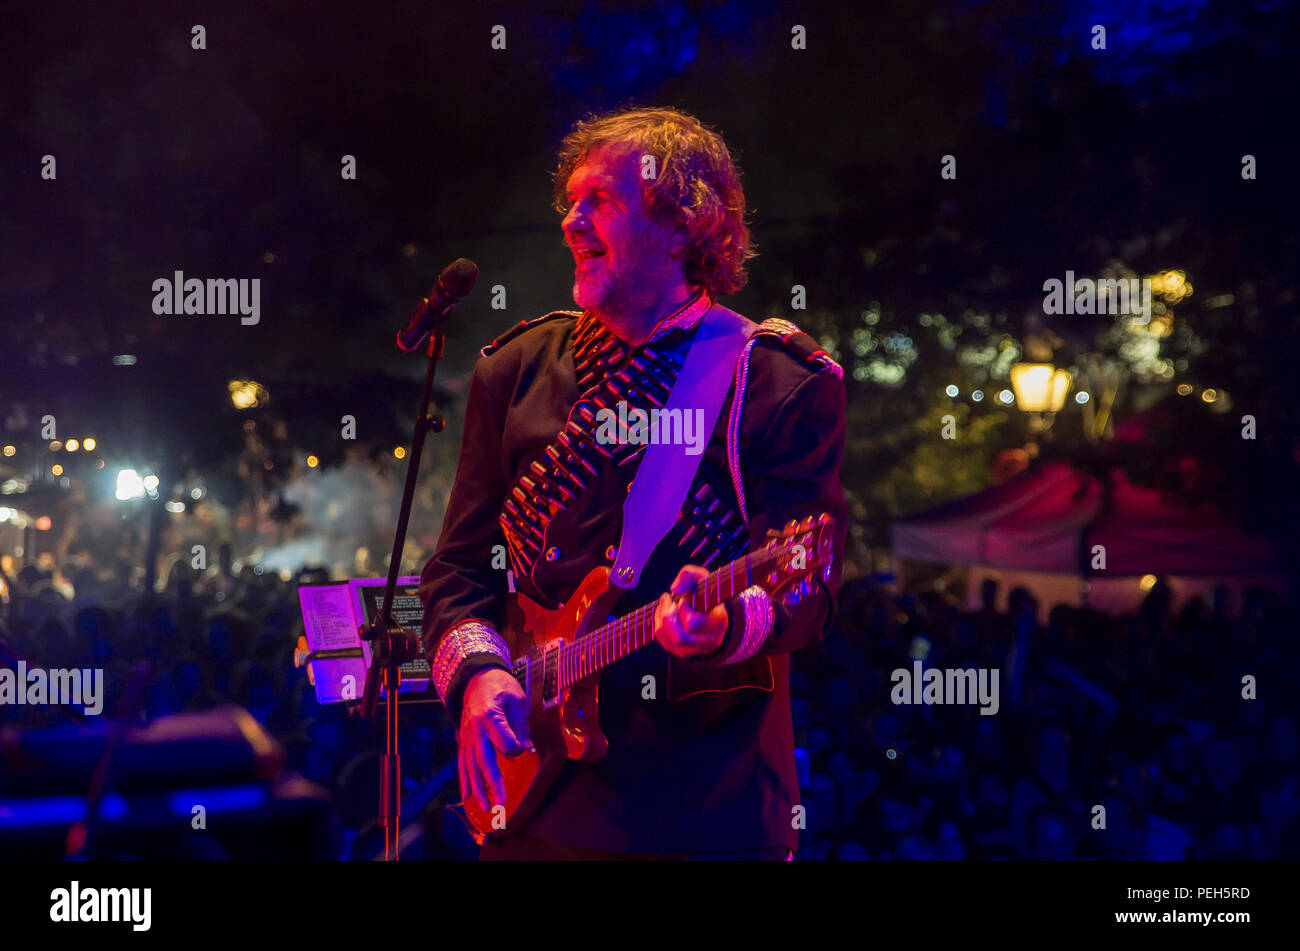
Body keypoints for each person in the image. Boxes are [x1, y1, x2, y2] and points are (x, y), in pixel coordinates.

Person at [419, 106, 846, 860]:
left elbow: (807, 589)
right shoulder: (512, 370)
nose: (571, 222)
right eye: (570, 202)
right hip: (534, 797)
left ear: (685, 223)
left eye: (601, 202)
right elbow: (457, 570)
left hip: (703, 806)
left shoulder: (776, 379)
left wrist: (728, 625)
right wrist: (481, 674)